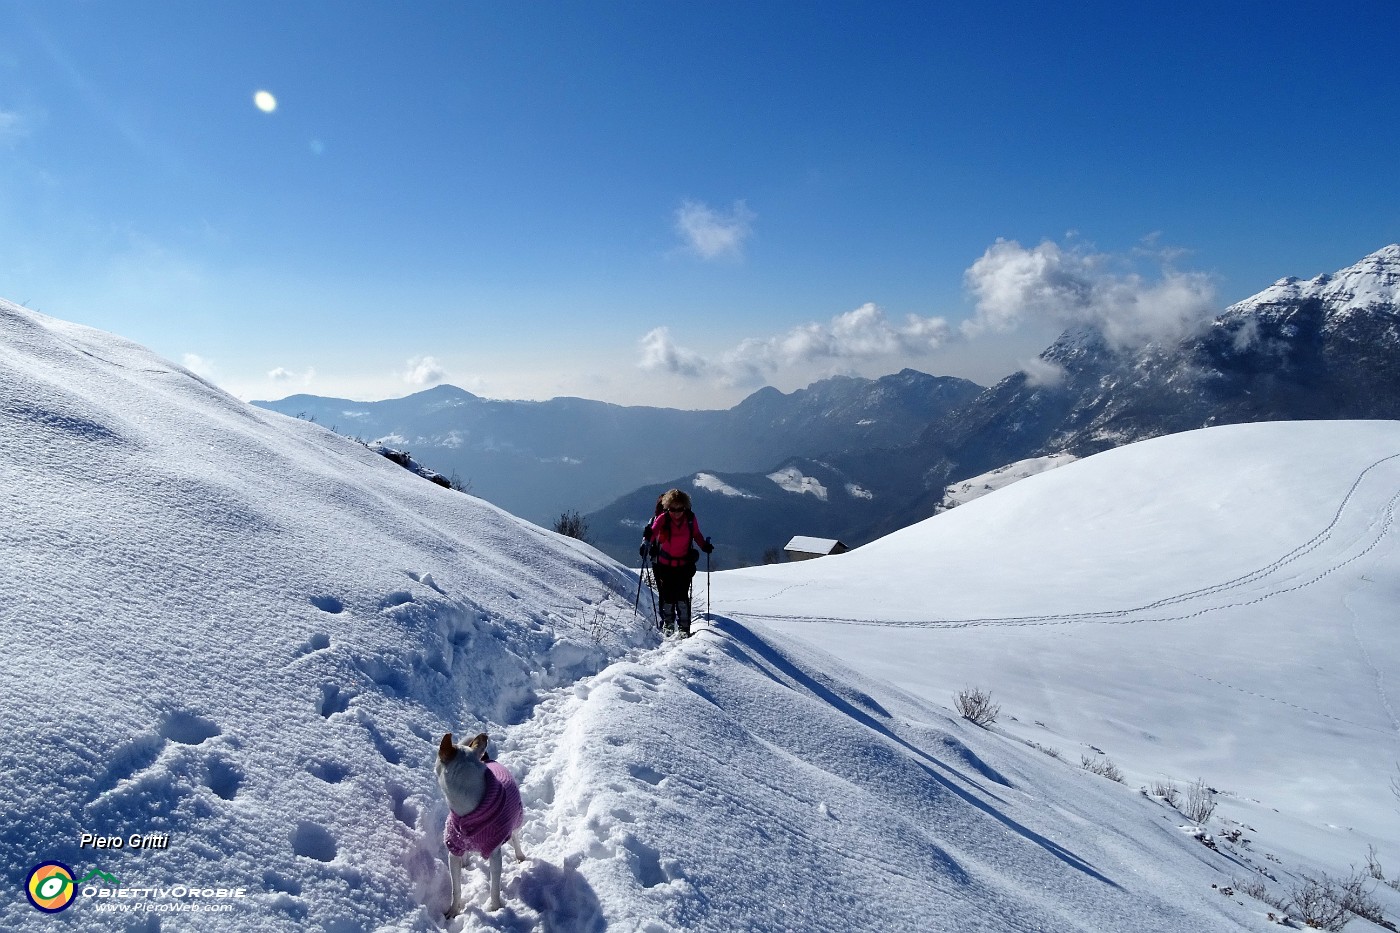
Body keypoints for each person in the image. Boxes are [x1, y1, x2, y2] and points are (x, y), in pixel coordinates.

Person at [640, 488, 712, 636]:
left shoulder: (690, 519)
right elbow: (653, 532)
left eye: (680, 508)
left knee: (681, 596)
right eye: (673, 508)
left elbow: (697, 534)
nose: (677, 512)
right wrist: (646, 543)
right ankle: (669, 624)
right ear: (667, 507)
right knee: (668, 595)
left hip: (683, 565)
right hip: (665, 565)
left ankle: (683, 627)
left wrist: (704, 545)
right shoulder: (663, 518)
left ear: (685, 507)